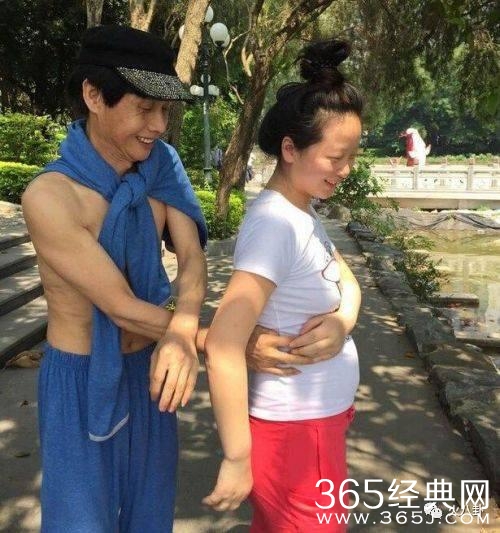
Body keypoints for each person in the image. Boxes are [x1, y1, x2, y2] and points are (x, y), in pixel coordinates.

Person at [22, 25, 209, 532]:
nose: (159, 126)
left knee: (150, 516)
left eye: (165, 110)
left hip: (150, 370)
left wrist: (183, 329)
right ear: (93, 95)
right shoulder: (50, 197)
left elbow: (192, 258)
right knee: (81, 523)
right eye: (144, 108)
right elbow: (121, 306)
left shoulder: (161, 165)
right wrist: (222, 342)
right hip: (81, 379)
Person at [203, 39, 363, 532]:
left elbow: (347, 280)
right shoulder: (275, 225)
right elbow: (224, 344)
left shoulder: (301, 212)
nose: (347, 170)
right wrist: (237, 457)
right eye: (336, 157)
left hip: (316, 425)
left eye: (352, 156)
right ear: (290, 149)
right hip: (295, 434)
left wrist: (342, 322)